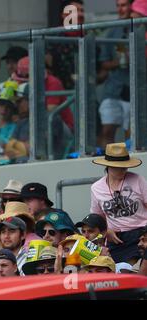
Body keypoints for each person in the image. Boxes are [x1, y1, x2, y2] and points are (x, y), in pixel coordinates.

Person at [91, 142, 147, 264]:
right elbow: (98, 218)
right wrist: (107, 232)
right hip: (116, 238)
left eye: (125, 166)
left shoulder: (138, 180)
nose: (123, 170)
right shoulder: (96, 188)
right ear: (108, 166)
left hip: (141, 233)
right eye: (118, 166)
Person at [98, 0, 132, 147]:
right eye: (118, 6)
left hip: (135, 90)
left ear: (133, 6)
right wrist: (121, 61)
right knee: (107, 130)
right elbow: (103, 62)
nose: (120, 9)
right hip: (114, 88)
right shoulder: (112, 30)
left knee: (131, 131)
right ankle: (108, 163)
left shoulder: (141, 27)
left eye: (124, 5)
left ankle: (131, 163)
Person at [45, 0, 85, 90]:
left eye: (82, 11)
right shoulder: (52, 38)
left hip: (86, 93)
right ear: (64, 15)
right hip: (59, 95)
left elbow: (100, 68)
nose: (80, 14)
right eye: (75, 11)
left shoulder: (89, 38)